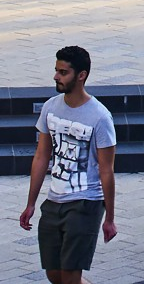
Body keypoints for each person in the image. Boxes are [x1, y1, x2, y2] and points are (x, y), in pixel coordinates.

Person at [19, 46, 117, 284]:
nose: (56, 77)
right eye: (56, 71)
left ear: (81, 75)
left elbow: (106, 170)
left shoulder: (100, 117)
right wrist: (30, 203)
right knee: (55, 275)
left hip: (86, 202)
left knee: (71, 276)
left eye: (63, 72)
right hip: (54, 201)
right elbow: (42, 156)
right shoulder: (51, 108)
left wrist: (110, 218)